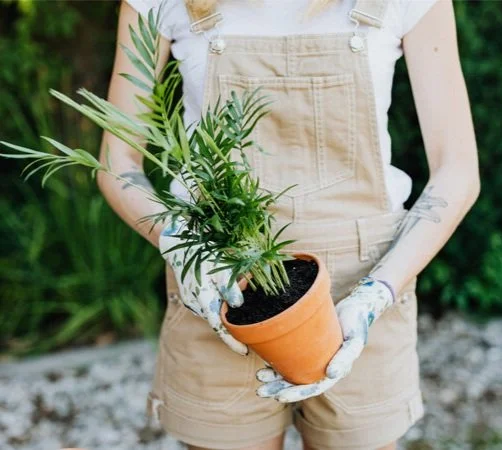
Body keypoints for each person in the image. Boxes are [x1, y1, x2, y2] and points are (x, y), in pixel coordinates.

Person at [97, 0, 480, 449]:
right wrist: (181, 246)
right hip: (220, 289)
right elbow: (117, 162)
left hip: (363, 285)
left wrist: (378, 294)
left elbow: (457, 172)